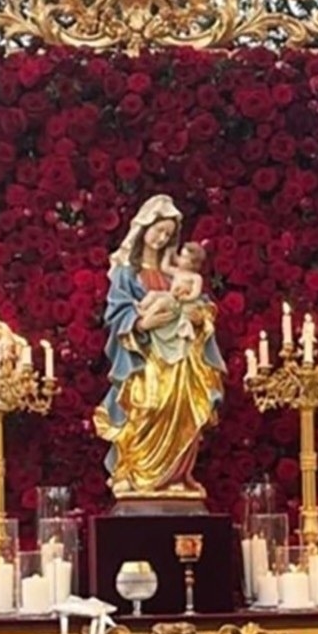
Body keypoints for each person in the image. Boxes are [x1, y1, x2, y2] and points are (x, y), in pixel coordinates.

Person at [95, 193, 224, 497]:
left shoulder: (177, 271)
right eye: (158, 229)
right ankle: (134, 471)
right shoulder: (127, 273)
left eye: (168, 233)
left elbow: (201, 304)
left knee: (184, 409)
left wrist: (198, 316)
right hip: (146, 358)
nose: (162, 237)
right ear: (144, 227)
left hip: (181, 359)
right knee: (146, 405)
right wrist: (140, 324)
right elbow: (117, 311)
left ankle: (175, 477)